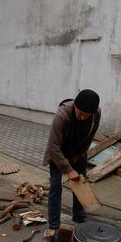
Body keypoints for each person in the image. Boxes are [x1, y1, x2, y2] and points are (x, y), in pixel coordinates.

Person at [42, 89, 101, 230]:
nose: (82, 117)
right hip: (58, 153)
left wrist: (79, 156)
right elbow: (53, 147)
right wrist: (68, 169)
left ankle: (79, 215)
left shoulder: (95, 114)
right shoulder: (62, 115)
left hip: (78, 151)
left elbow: (89, 138)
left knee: (80, 182)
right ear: (75, 105)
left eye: (85, 116)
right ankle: (54, 225)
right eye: (80, 113)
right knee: (56, 187)